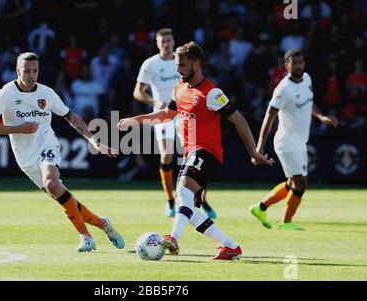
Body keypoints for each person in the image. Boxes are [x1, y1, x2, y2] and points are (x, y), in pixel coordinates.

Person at [119, 42, 274, 260]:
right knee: (187, 208)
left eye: (182, 65)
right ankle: (230, 246)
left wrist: (254, 152)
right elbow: (166, 115)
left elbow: (239, 121)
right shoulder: (179, 88)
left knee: (182, 190)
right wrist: (136, 120)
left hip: (208, 152)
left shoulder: (212, 93)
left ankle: (173, 237)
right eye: (176, 65)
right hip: (191, 152)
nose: (178, 69)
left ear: (196, 64)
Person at [0, 52, 125, 252]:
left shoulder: (46, 93)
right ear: (17, 71)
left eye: (35, 71)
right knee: (60, 194)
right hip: (25, 158)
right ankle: (104, 224)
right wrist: (18, 129)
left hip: (47, 145)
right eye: (26, 71)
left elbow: (72, 117)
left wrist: (93, 141)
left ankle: (86, 238)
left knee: (52, 183)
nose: (31, 75)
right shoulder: (7, 93)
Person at [249, 49, 338, 231]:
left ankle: (260, 208)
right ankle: (286, 222)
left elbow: (310, 101)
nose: (298, 66)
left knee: (292, 184)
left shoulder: (307, 78)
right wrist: (258, 149)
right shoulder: (283, 89)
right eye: (294, 62)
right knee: (301, 184)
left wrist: (321, 117)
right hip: (287, 143)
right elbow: (269, 117)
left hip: (300, 142)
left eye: (300, 62)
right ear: (286, 65)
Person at [133, 28, 216, 219]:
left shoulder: (183, 61)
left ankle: (200, 200)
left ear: (173, 41)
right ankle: (170, 199)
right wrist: (154, 102)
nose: (166, 44)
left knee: (197, 156)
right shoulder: (150, 64)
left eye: (169, 41)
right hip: (165, 113)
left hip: (186, 113)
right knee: (167, 156)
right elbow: (138, 92)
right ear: (157, 44)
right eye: (162, 42)